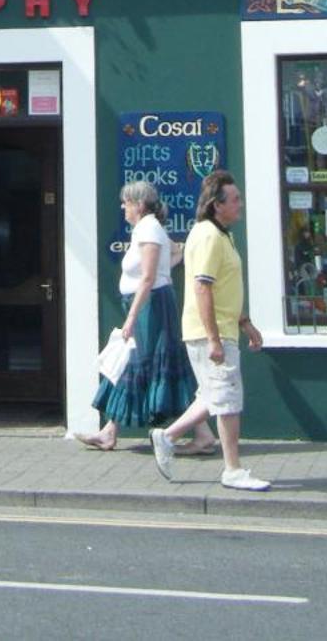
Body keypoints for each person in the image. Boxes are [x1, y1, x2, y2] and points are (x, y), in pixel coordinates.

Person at [151, 170, 270, 492]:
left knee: (214, 396)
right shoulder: (207, 235)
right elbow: (202, 288)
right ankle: (232, 470)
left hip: (222, 329)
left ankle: (167, 436)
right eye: (235, 200)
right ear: (217, 205)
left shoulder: (222, 236)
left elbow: (225, 288)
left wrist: (245, 322)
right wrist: (215, 338)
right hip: (210, 333)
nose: (240, 205)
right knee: (228, 401)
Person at [76, 180, 197, 451]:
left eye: (126, 202)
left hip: (151, 307)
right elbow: (175, 253)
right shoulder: (147, 229)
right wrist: (166, 269)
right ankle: (110, 430)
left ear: (139, 205)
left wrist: (131, 317)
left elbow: (148, 278)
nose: (123, 207)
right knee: (136, 363)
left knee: (146, 361)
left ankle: (201, 433)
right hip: (147, 304)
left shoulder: (149, 230)